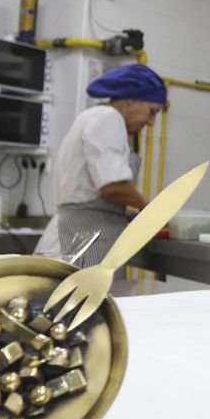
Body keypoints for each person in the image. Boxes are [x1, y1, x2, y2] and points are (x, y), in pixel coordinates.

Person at [35, 64, 165, 268]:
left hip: (80, 234)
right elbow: (112, 186)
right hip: (84, 238)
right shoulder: (108, 118)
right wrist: (150, 208)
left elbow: (91, 188)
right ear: (131, 99)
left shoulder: (97, 117)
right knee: (85, 298)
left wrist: (125, 210)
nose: (151, 122)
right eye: (151, 112)